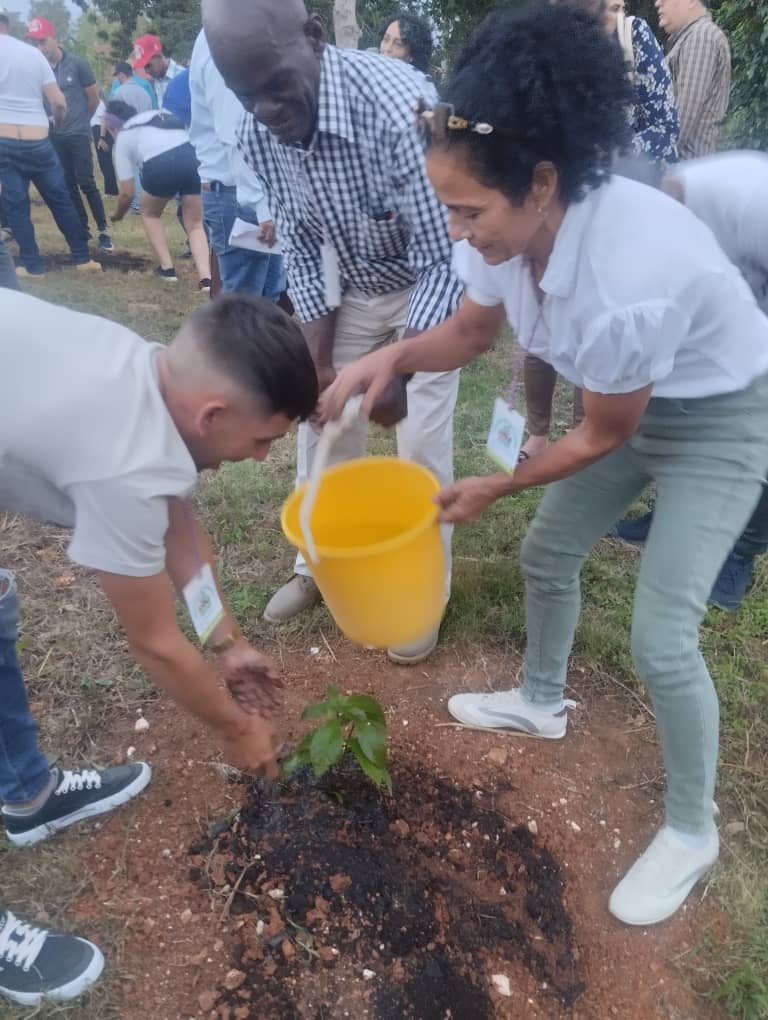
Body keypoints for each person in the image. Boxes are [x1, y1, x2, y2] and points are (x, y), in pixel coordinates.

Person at [320, 5, 768, 926]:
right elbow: (471, 330)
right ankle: (540, 700)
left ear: (544, 181)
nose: (456, 232)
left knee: (661, 635)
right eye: (447, 207)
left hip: (721, 417)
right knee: (546, 555)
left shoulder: (624, 276)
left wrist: (497, 482)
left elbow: (601, 433)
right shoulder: (514, 232)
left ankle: (693, 828)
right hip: (641, 399)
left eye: (469, 212)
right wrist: (391, 357)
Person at [1, 289, 317, 1002]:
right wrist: (238, 732)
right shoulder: (122, 461)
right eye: (263, 440)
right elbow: (154, 644)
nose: (265, 457)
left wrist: (228, 642)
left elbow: (174, 512)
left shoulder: (147, 376)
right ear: (213, 416)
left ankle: (26, 795)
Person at [203, 0, 463, 665]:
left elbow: (443, 256)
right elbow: (299, 232)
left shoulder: (398, 109)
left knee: (420, 439)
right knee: (323, 424)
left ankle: (421, 589)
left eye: (274, 84)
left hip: (423, 285)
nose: (263, 107)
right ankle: (315, 566)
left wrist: (400, 369)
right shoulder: (258, 126)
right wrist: (318, 359)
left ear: (312, 38)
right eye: (244, 92)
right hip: (346, 285)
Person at [520, 0, 679, 461]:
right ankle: (535, 432)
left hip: (616, 210)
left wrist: (595, 162)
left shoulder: (634, 40)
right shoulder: (542, 45)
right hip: (556, 206)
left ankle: (584, 433)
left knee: (595, 322)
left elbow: (665, 128)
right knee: (542, 312)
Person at [614, 151, 768, 611]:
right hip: (734, 320)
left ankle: (742, 552)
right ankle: (672, 512)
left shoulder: (747, 199)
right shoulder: (652, 223)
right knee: (692, 398)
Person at [189, 29, 284, 301]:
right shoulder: (224, 38)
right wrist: (263, 208)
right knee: (244, 308)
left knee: (267, 300)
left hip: (254, 192)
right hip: (239, 194)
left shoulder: (236, 31)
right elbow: (237, 135)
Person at [0, 26, 100, 277]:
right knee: (60, 198)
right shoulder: (32, 54)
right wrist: (56, 122)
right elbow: (58, 101)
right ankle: (82, 258)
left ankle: (32, 266)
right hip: (37, 137)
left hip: (4, 138)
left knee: (17, 205)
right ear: (7, 26)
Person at [26, 16, 112, 252]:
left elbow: (93, 98)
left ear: (55, 39)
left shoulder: (77, 63)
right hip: (55, 135)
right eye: (35, 43)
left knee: (87, 181)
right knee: (67, 184)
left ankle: (103, 230)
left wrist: (81, 122)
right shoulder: (38, 68)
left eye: (43, 41)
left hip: (78, 133)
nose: (39, 48)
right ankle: (82, 229)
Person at [108, 100, 210, 289]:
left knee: (150, 213)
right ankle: (206, 279)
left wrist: (118, 214)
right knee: (195, 224)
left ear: (114, 127)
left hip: (160, 163)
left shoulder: (123, 137)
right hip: (191, 157)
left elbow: (127, 194)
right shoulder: (158, 113)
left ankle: (167, 270)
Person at [656, 0, 730, 159]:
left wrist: (651, 164)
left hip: (685, 170)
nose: (657, 3)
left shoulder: (701, 36)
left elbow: (682, 119)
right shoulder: (692, 37)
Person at [131, 33, 182, 108]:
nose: (147, 71)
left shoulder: (183, 77)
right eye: (144, 67)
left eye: (148, 66)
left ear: (159, 55)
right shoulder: (157, 80)